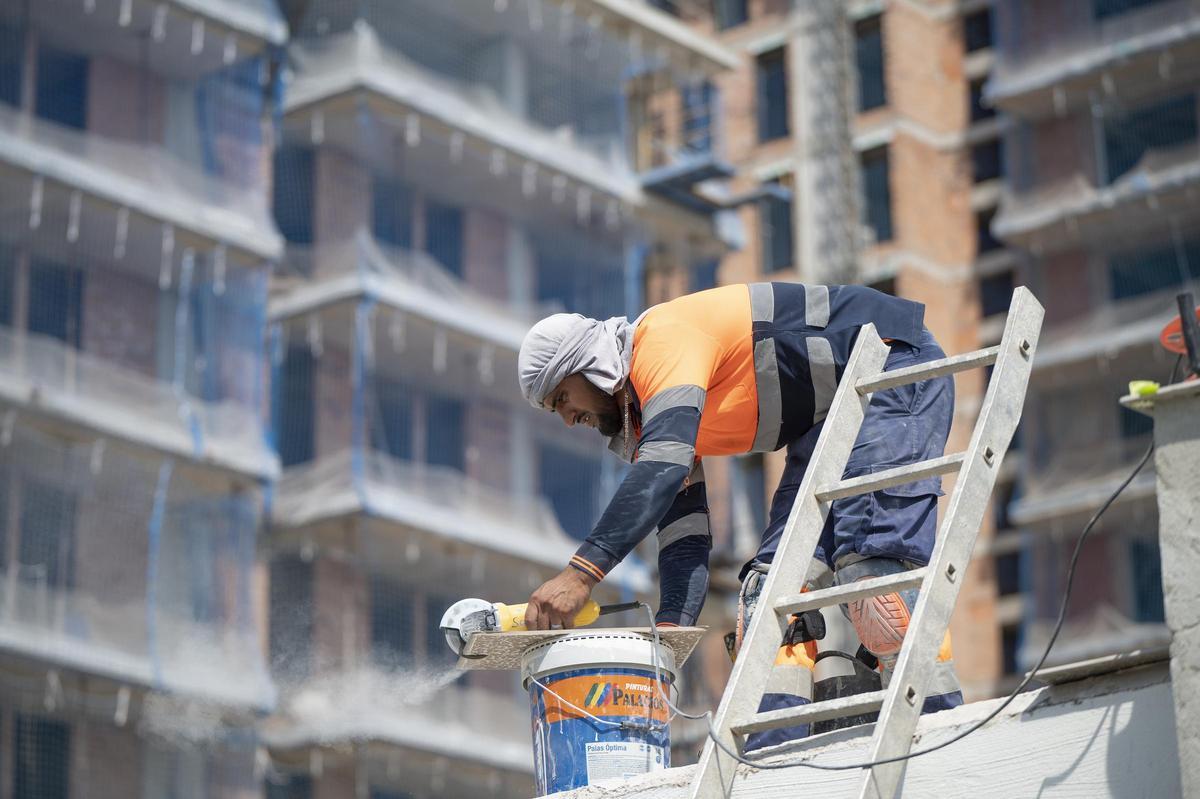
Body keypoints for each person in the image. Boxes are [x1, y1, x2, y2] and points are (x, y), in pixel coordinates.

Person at [517, 282, 962, 746]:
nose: (568, 419)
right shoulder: (654, 419)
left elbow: (662, 470)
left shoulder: (661, 343)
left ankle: (940, 732)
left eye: (563, 399)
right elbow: (684, 536)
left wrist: (579, 576)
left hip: (892, 364)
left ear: (590, 367)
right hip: (825, 420)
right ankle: (774, 756)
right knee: (766, 603)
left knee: (874, 586)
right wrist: (668, 641)